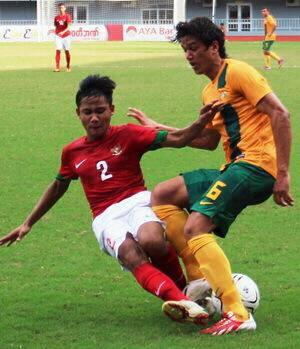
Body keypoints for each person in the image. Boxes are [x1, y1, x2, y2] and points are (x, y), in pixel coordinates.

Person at [0, 74, 223, 325]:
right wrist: (28, 222)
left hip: (137, 201)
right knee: (130, 253)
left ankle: (184, 294)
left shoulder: (129, 134)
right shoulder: (71, 152)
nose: (94, 118)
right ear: (78, 114)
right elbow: (57, 187)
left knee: (152, 240)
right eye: (87, 112)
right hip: (105, 216)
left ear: (112, 110)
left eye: (100, 111)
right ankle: (184, 302)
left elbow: (179, 139)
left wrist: (199, 122)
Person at [128, 16, 293, 335]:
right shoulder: (209, 91)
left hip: (257, 166)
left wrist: (283, 173)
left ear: (213, 47)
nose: (188, 56)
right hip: (234, 166)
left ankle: (238, 312)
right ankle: (200, 281)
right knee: (163, 195)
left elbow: (280, 114)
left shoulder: (238, 71)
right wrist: (156, 127)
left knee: (195, 226)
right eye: (185, 50)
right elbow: (206, 141)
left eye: (193, 49)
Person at [54, 3, 72, 72]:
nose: (61, 9)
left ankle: (68, 66)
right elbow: (56, 26)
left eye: (62, 8)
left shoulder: (68, 16)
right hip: (58, 36)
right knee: (58, 50)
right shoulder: (56, 17)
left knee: (67, 51)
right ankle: (57, 67)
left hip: (66, 36)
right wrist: (57, 32)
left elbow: (68, 27)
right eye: (60, 8)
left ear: (65, 8)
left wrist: (63, 32)